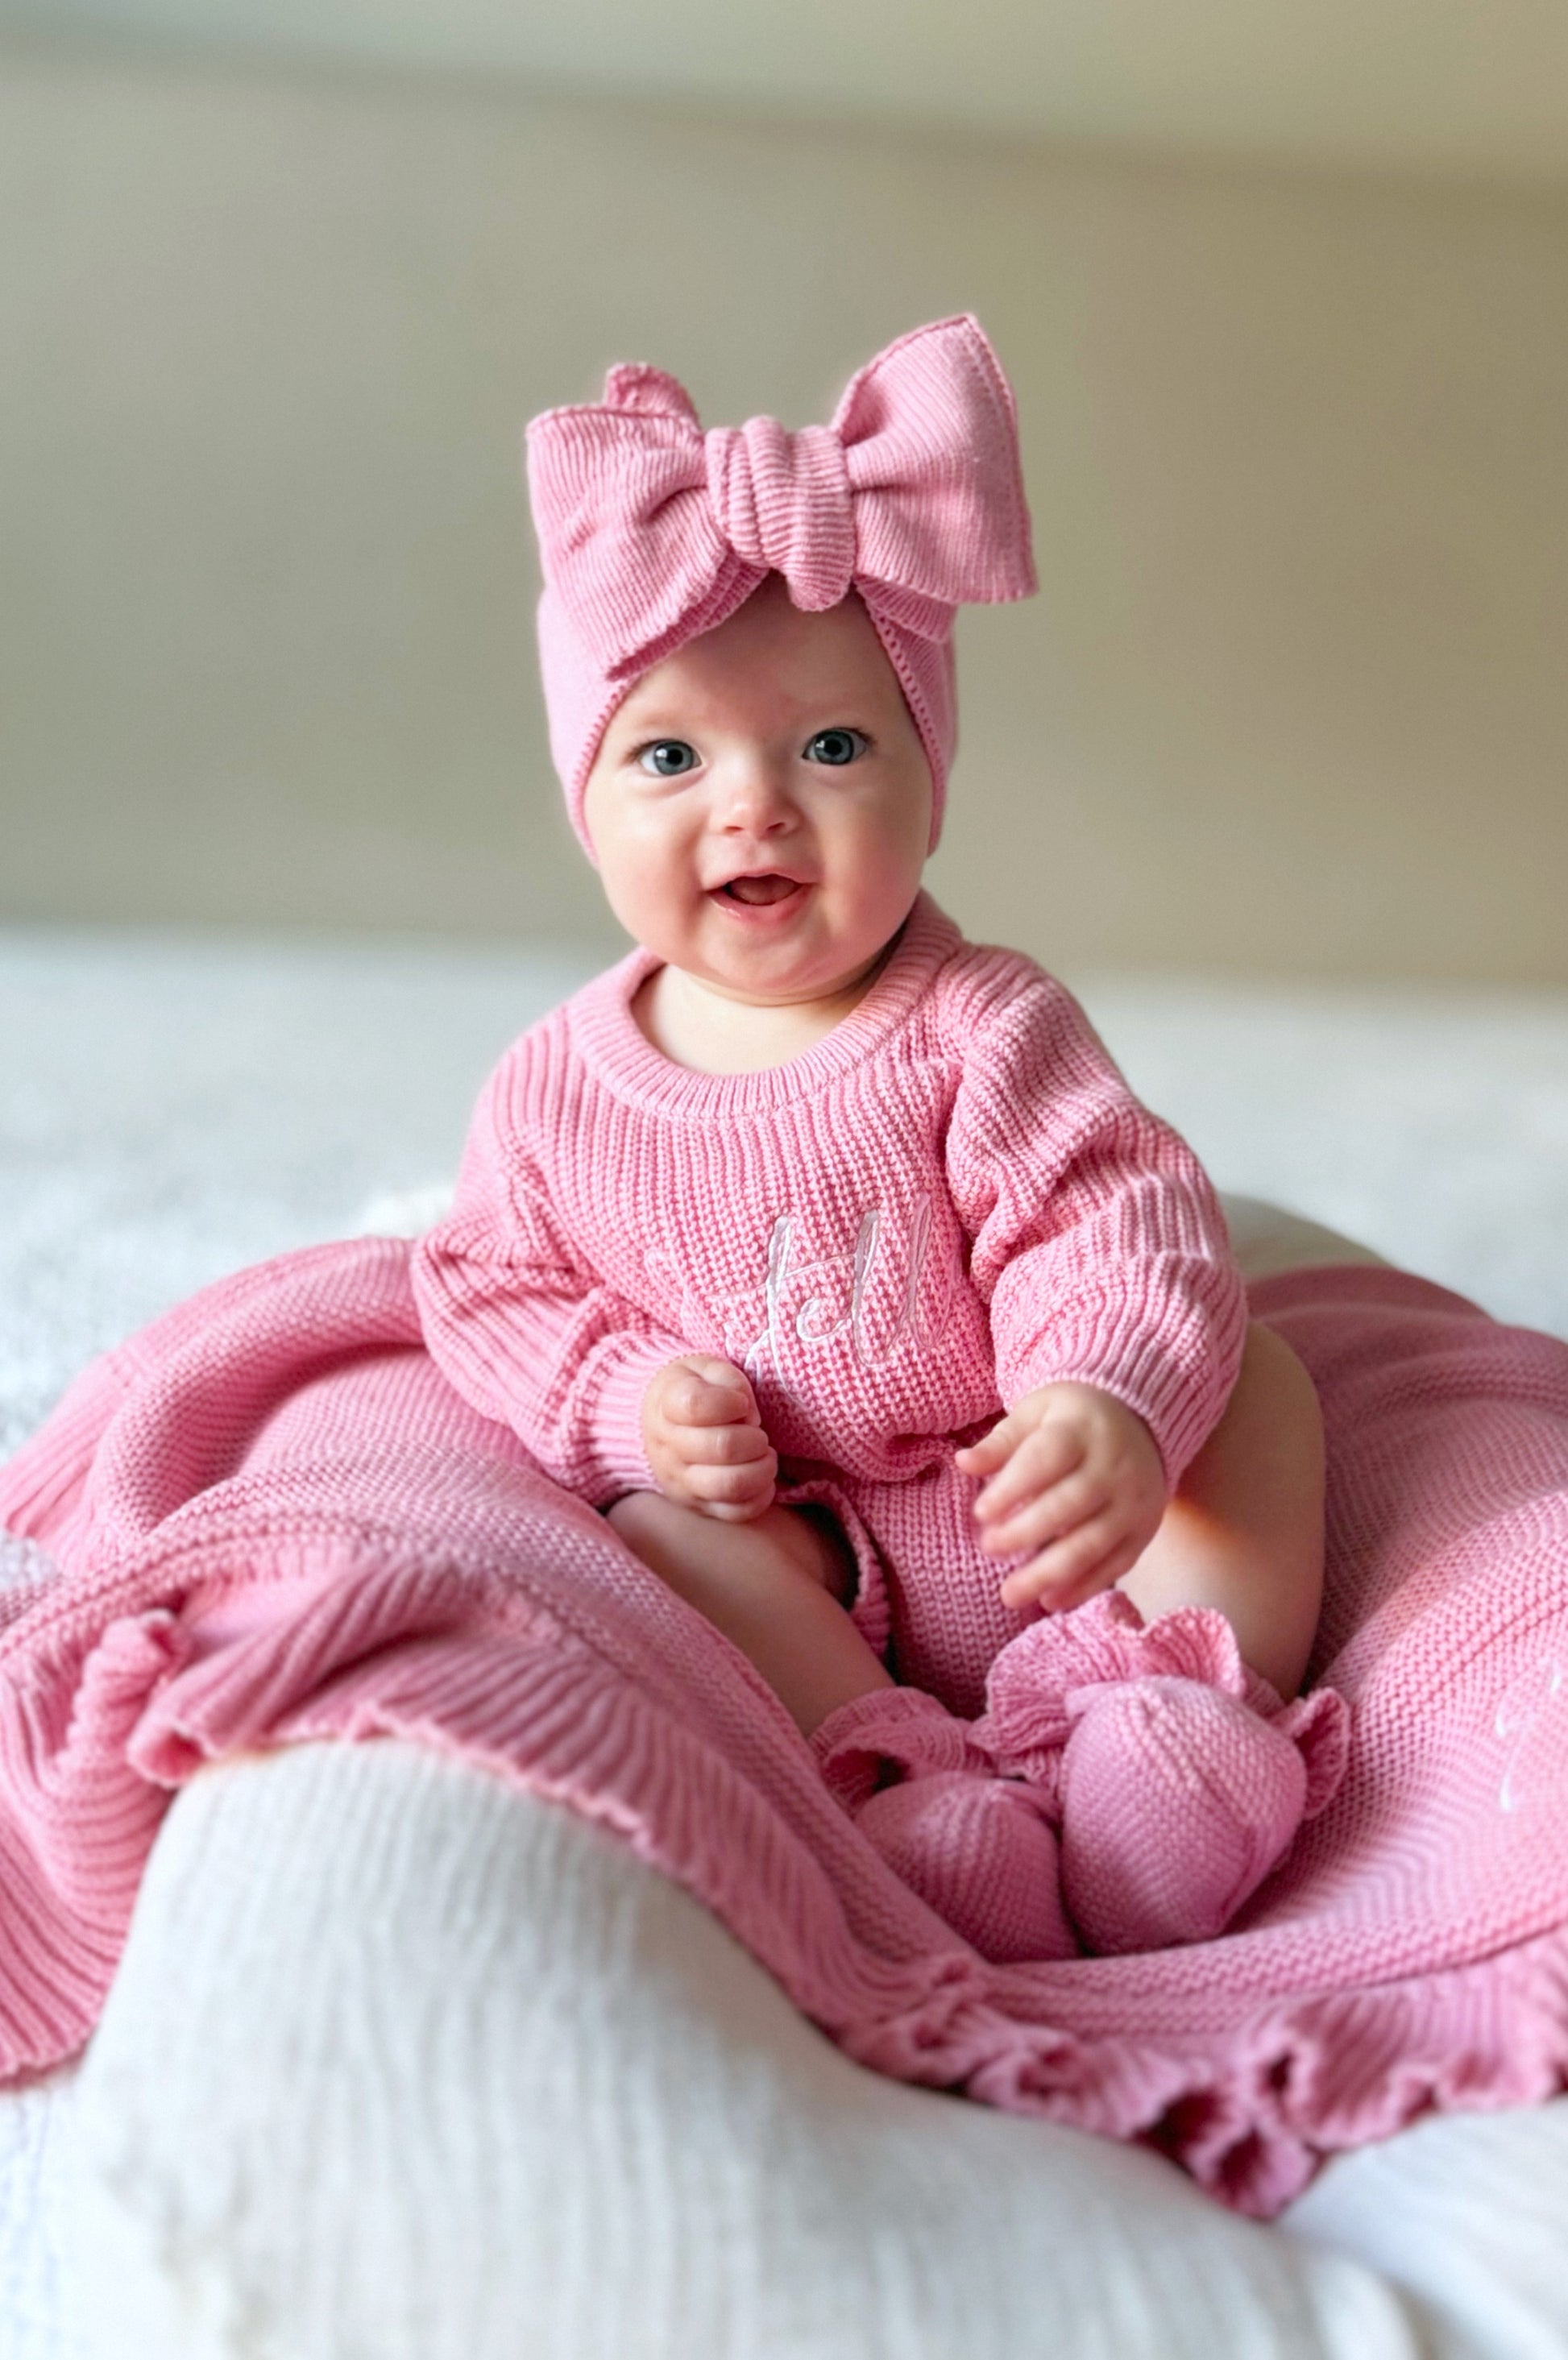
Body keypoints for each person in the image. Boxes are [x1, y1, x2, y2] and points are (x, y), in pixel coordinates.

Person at [413, 316, 1346, 1964]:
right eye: (670, 755)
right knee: (664, 1541)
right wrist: (630, 1402)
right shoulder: (551, 1092)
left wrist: (1105, 1403)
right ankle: (900, 1782)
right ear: (586, 798)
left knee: (1252, 1389)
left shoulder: (983, 1022)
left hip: (1047, 1525)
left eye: (832, 745)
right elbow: (486, 1292)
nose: (754, 806)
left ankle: (1180, 1726)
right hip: (807, 1552)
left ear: (930, 776)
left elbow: (1115, 1217)